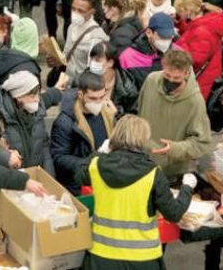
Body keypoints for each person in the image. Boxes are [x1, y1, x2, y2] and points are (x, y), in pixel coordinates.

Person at [76, 114, 194, 270]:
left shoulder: (96, 165)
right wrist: (187, 187)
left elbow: (79, 175)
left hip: (101, 257)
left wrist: (100, 152)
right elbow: (173, 213)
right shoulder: (153, 173)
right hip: (142, 259)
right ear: (143, 139)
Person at [138, 50, 212, 177]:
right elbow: (138, 111)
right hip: (141, 158)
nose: (171, 80)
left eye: (177, 78)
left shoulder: (195, 101)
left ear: (187, 73)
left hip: (170, 169)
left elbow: (201, 143)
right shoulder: (151, 81)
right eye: (167, 75)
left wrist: (174, 149)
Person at [0, 70, 61, 175]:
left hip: (34, 177)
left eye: (38, 94)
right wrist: (4, 156)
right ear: (18, 97)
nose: (38, 100)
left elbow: (44, 146)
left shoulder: (37, 111)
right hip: (9, 179)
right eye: (32, 96)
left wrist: (49, 176)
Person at [50, 71, 116, 194]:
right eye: (93, 98)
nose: (98, 102)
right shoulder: (65, 122)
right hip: (78, 185)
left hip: (102, 179)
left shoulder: (107, 112)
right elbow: (59, 157)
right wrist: (90, 162)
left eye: (101, 97)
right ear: (81, 95)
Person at [174, 0, 223, 100]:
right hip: (208, 74)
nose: (179, 14)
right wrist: (179, 24)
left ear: (187, 11)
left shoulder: (202, 31)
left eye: (180, 12)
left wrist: (178, 42)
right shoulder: (206, 22)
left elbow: (195, 60)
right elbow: (191, 33)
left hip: (201, 82)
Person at [119, 12, 183, 87]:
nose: (166, 41)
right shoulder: (128, 57)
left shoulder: (178, 53)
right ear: (149, 32)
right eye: (162, 36)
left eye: (170, 37)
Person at [59, 0, 110, 83]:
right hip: (67, 81)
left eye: (81, 11)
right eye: (73, 9)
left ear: (92, 12)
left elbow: (97, 71)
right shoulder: (71, 27)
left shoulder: (97, 37)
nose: (75, 13)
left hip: (83, 85)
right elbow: (66, 55)